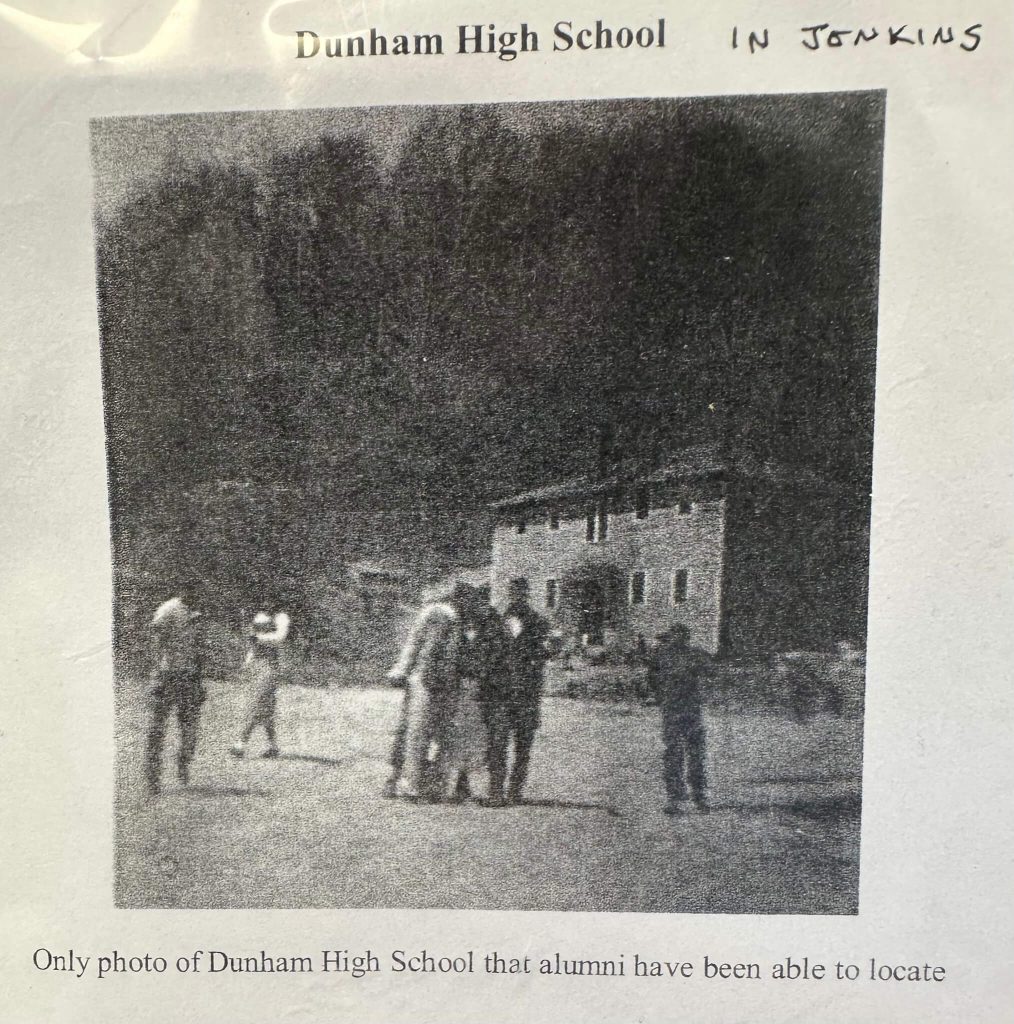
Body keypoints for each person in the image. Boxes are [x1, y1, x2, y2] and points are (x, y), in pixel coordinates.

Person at [384, 582, 474, 800]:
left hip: (450, 684)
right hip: (426, 682)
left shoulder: (465, 622)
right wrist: (402, 671)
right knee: (415, 733)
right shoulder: (435, 614)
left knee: (449, 735)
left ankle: (442, 785)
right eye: (461, 599)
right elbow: (414, 645)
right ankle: (403, 782)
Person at [487, 579, 550, 806]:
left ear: (527, 595)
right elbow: (489, 654)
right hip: (501, 693)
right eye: (514, 594)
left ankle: (515, 790)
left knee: (523, 746)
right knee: (498, 742)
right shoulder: (496, 622)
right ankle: (495, 790)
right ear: (509, 595)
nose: (517, 598)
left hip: (527, 694)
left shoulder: (539, 623)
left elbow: (544, 654)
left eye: (521, 594)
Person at [145, 593, 207, 796]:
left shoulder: (197, 613)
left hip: (189, 677)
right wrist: (157, 670)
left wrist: (199, 679)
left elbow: (199, 648)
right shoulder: (169, 609)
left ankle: (183, 764)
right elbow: (155, 636)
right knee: (157, 728)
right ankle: (153, 778)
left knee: (190, 727)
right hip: (167, 675)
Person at [648, 623, 711, 815]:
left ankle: (690, 796)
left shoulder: (664, 655)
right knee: (684, 753)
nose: (673, 641)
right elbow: (651, 678)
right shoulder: (671, 655)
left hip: (683, 710)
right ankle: (686, 797)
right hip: (681, 710)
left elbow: (651, 679)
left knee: (685, 753)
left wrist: (659, 697)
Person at [230, 609, 290, 759]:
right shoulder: (259, 614)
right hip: (257, 667)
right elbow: (253, 647)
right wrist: (246, 664)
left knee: (255, 704)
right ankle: (273, 746)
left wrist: (258, 637)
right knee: (266, 708)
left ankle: (240, 743)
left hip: (270, 667)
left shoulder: (281, 617)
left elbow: (280, 637)